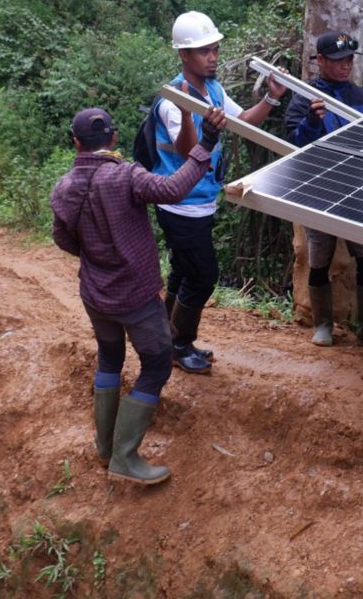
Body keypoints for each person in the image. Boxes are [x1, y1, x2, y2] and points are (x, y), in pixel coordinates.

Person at [51, 105, 225, 485]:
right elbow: (174, 188)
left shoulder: (64, 188)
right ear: (113, 139)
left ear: (77, 143)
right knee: (157, 365)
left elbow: (63, 239)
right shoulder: (125, 176)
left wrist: (97, 258)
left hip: (95, 295)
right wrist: (207, 142)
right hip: (137, 296)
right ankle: (124, 457)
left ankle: (104, 446)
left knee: (110, 358)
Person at [152, 11, 287, 374]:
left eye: (214, 49)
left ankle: (165, 341)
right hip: (180, 205)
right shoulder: (172, 100)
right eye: (203, 51)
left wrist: (271, 100)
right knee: (203, 275)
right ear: (183, 55)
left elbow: (241, 122)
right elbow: (186, 152)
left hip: (201, 201)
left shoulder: (212, 89)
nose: (212, 57)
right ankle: (179, 346)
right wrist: (185, 114)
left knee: (183, 272)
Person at [283, 30, 363, 352]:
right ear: (320, 62)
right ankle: (322, 324)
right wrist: (312, 122)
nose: (344, 66)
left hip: (361, 193)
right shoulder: (304, 98)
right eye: (337, 61)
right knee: (320, 260)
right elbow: (292, 146)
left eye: (348, 60)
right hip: (319, 193)